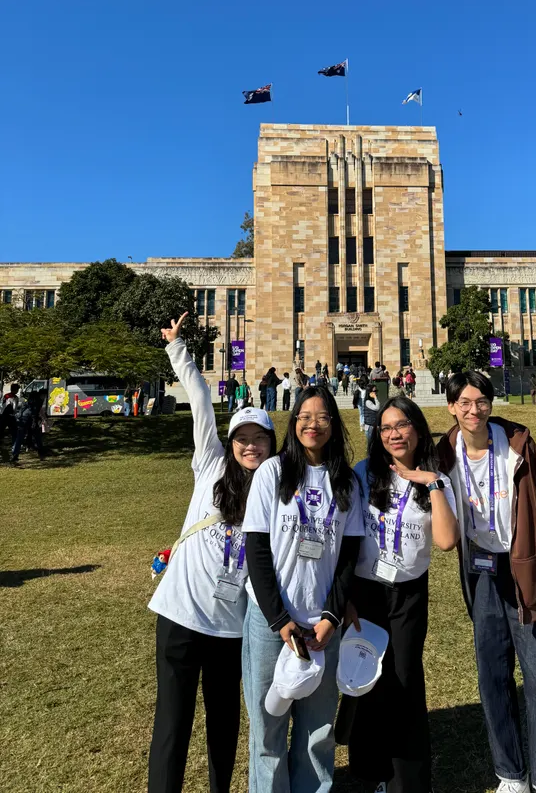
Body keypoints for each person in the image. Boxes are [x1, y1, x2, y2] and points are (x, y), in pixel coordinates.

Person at [148, 312, 276, 793]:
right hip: (180, 616)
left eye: (258, 438)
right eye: (242, 437)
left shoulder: (275, 494)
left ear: (269, 444)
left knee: (224, 726)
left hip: (231, 627)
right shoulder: (210, 465)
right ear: (231, 441)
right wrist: (177, 347)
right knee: (172, 725)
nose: (249, 446)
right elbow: (201, 400)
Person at [438, 371, 536, 793]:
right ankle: (511, 774)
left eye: (481, 401)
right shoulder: (444, 452)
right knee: (492, 676)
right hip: (480, 569)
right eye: (465, 403)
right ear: (451, 407)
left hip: (522, 566)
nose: (474, 410)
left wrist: (532, 550)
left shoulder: (518, 446)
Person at [243, 385, 364, 793]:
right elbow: (257, 550)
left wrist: (331, 616)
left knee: (317, 733)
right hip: (272, 624)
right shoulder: (272, 473)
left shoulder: (346, 482)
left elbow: (348, 556)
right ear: (293, 423)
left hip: (321, 628)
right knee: (267, 730)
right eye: (305, 417)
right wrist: (279, 620)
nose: (313, 425)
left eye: (323, 417)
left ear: (334, 423)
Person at [346, 396, 459, 792]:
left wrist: (433, 484)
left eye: (402, 425)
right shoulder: (363, 474)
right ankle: (367, 771)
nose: (394, 434)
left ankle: (407, 782)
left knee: (405, 679)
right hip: (365, 590)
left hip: (408, 593)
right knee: (365, 678)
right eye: (386, 428)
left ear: (417, 428)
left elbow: (446, 541)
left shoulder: (437, 477)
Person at [11, 391, 45, 464]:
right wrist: (35, 422)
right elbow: (34, 413)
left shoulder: (28, 402)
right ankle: (41, 454)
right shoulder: (38, 402)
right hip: (30, 420)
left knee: (19, 438)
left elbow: (21, 411)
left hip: (22, 420)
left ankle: (15, 455)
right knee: (38, 438)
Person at [363, 383, 380, 450]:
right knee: (371, 444)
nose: (376, 393)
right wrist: (375, 398)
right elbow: (377, 408)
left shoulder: (371, 401)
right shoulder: (368, 402)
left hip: (373, 425)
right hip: (370, 426)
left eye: (376, 391)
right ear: (369, 392)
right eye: (374, 391)